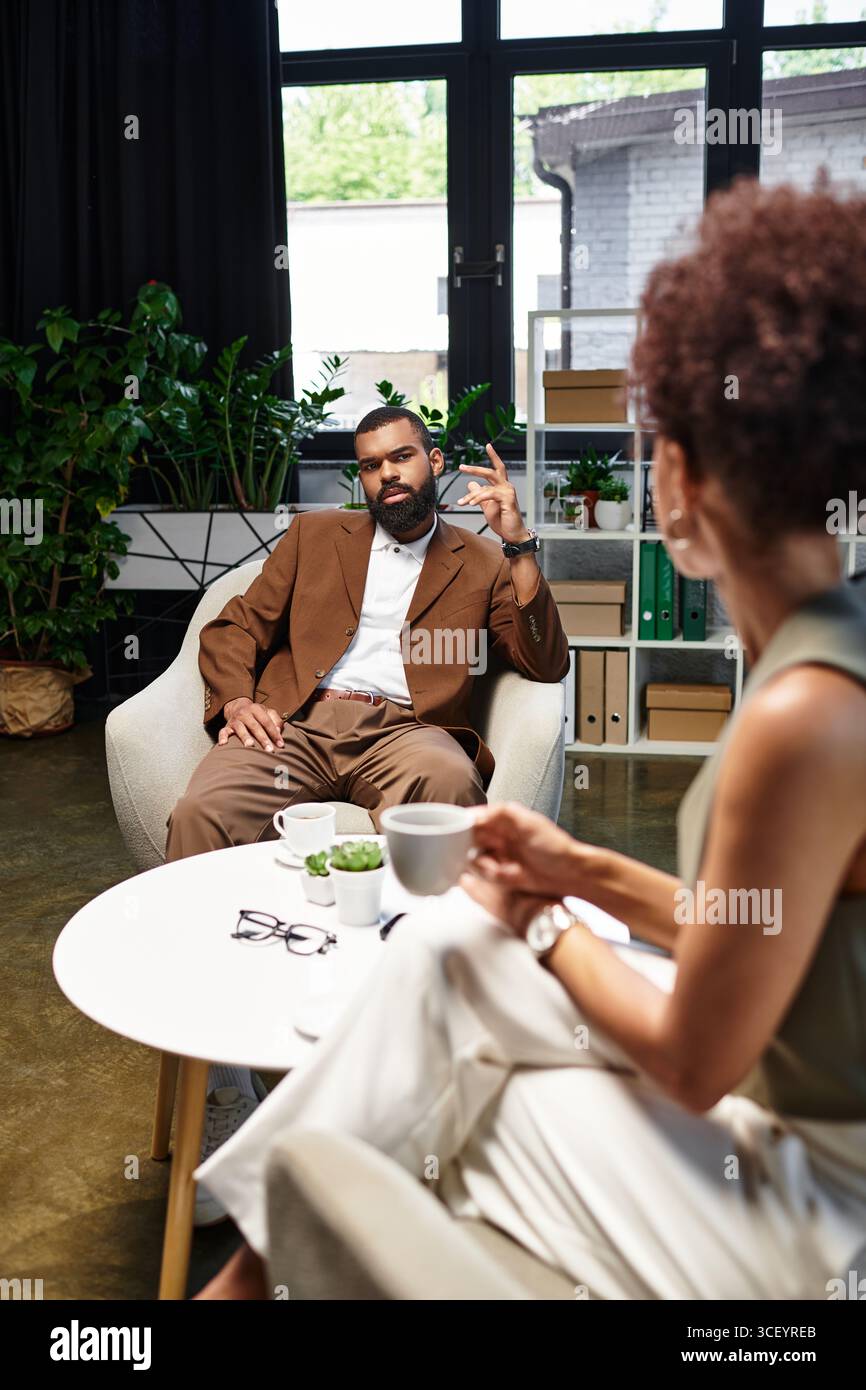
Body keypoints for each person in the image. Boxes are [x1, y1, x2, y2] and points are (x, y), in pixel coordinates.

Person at [194, 174, 866, 1298]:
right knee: (442, 957)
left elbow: (695, 1060)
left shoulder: (797, 721)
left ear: (680, 482)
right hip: (776, 1100)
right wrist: (581, 867)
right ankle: (251, 1264)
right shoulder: (830, 655)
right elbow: (760, 931)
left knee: (397, 1104)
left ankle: (249, 1260)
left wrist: (550, 921)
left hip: (787, 1194)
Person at [166, 404, 568, 1224]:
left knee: (451, 795)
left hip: (405, 734)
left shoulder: (481, 560)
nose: (389, 475)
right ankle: (222, 1082)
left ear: (433, 461)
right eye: (373, 465)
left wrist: (519, 542)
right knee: (201, 811)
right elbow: (233, 626)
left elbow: (542, 658)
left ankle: (412, 1062)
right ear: (363, 478)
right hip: (300, 725)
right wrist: (240, 699)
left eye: (403, 459)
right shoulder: (318, 538)